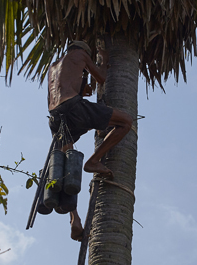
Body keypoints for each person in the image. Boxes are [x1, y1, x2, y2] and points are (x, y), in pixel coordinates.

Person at [48, 41, 133, 241]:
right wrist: (103, 57)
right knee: (125, 122)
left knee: (66, 165)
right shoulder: (80, 54)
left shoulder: (54, 67)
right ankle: (94, 161)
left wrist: (82, 91)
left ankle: (74, 219)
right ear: (83, 50)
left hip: (55, 117)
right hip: (73, 109)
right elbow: (102, 77)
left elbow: (61, 91)